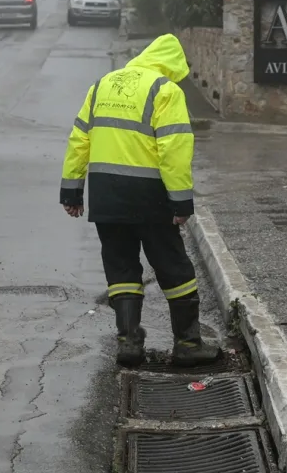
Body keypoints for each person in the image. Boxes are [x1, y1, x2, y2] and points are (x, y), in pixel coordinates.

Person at [60, 34, 222, 368]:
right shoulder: (165, 90)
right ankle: (189, 344)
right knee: (173, 267)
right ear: (173, 64)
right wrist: (181, 202)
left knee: (120, 267)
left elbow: (79, 139)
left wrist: (72, 191)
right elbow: (174, 150)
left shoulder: (103, 84)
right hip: (149, 197)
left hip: (105, 196)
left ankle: (129, 343)